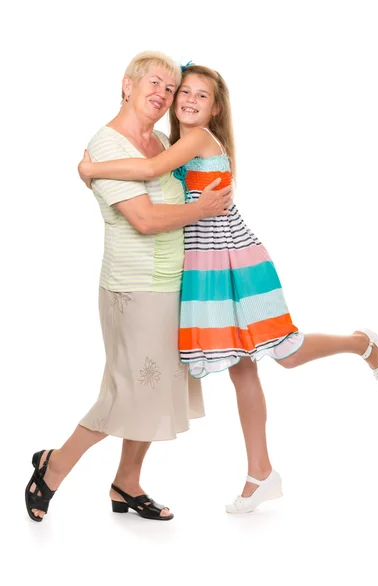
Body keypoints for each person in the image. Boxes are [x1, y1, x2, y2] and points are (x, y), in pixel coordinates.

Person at [79, 63, 378, 514]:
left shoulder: (198, 140)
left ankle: (361, 343)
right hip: (205, 267)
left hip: (234, 261)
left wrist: (90, 166)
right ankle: (260, 472)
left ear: (216, 107)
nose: (187, 99)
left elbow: (150, 168)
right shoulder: (177, 142)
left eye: (200, 95)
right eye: (182, 91)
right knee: (242, 367)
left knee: (285, 353)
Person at [24, 53, 232, 523]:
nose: (162, 94)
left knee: (151, 392)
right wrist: (203, 210)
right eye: (154, 83)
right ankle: (51, 469)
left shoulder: (159, 140)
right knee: (123, 393)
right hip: (132, 289)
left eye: (169, 87)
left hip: (171, 286)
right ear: (127, 85)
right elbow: (144, 219)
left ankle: (127, 483)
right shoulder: (107, 144)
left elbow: (182, 183)